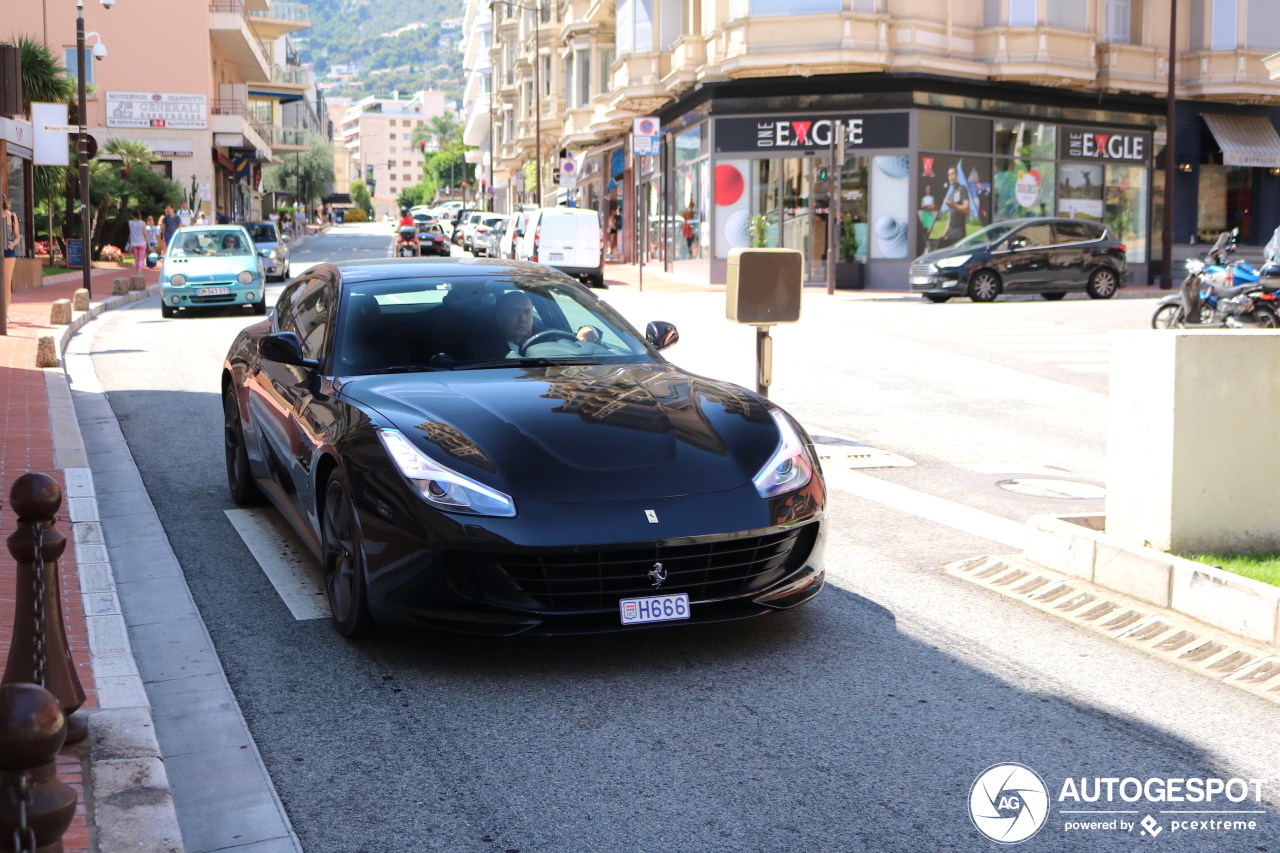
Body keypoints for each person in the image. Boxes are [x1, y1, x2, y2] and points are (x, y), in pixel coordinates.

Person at [941, 167, 970, 248]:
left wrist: (954, 205)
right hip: (950, 234)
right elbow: (950, 217)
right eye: (949, 175)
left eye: (953, 174)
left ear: (957, 176)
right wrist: (945, 233)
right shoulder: (951, 194)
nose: (951, 176)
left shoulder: (962, 189)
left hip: (959, 232)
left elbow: (967, 209)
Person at [3, 194, 19, 284]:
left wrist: (13, 244)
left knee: (7, 281)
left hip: (8, 250)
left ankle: (6, 299)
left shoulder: (12, 216)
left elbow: (17, 236)